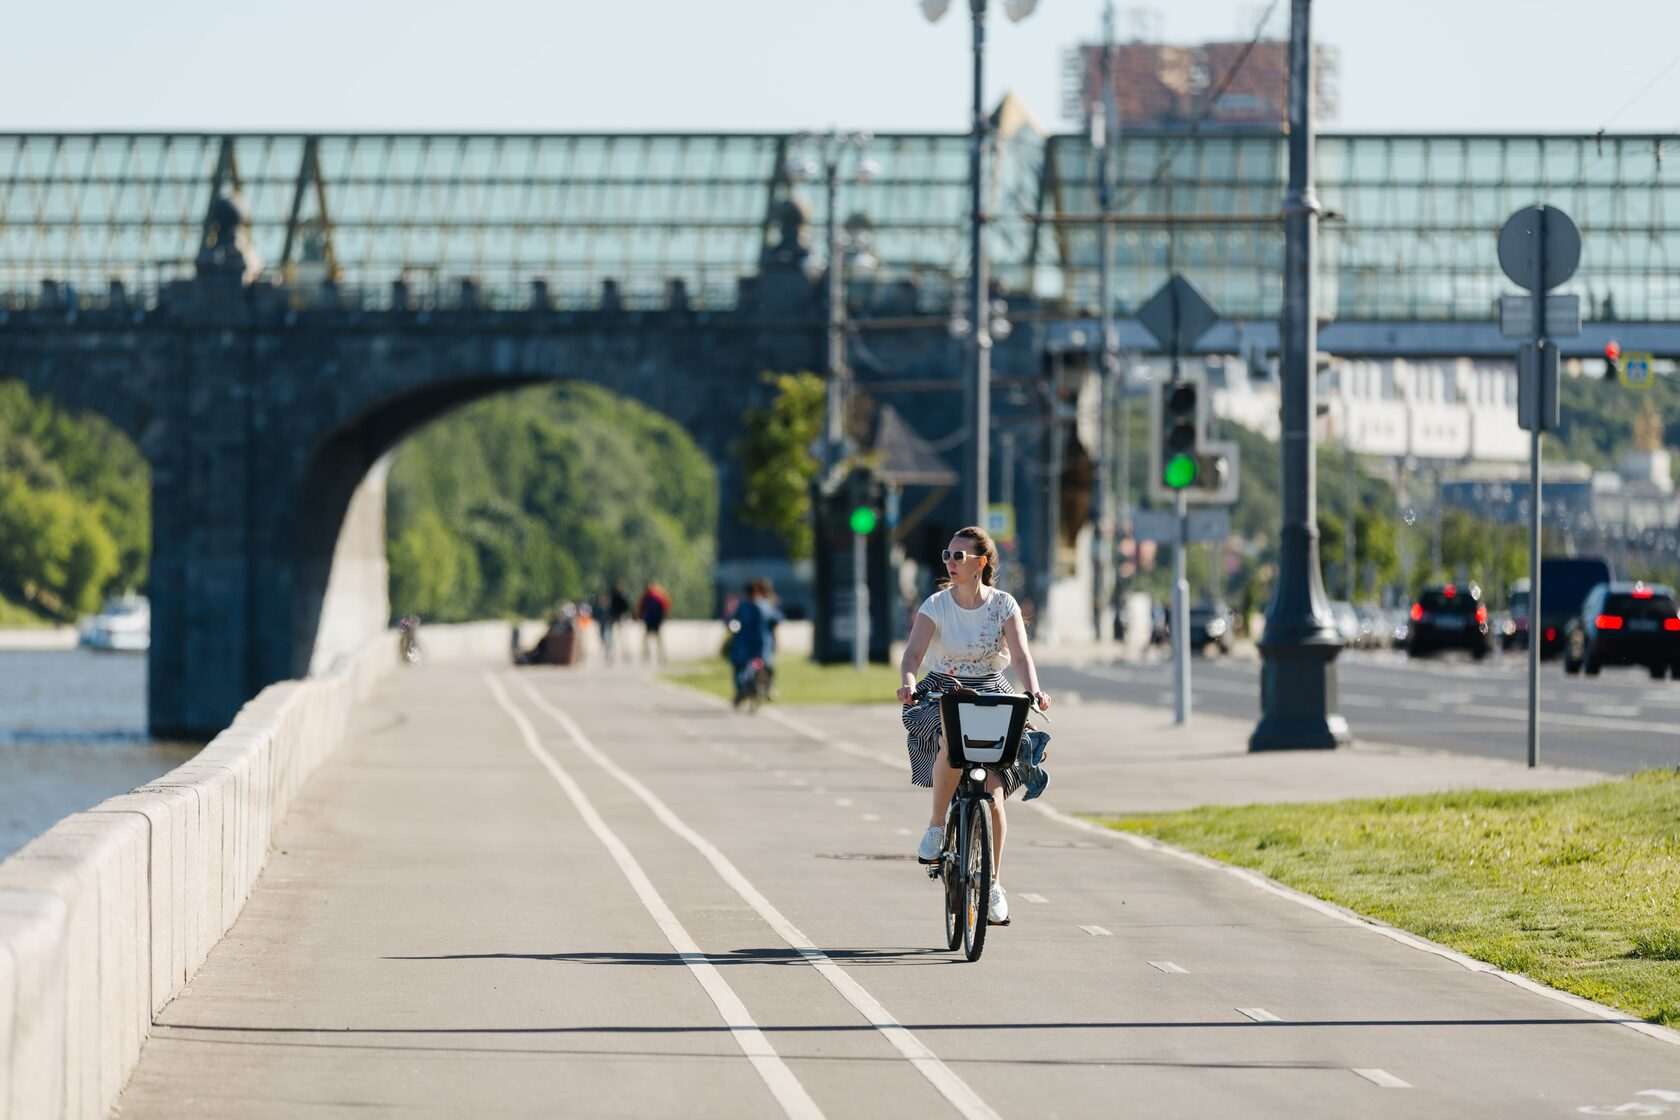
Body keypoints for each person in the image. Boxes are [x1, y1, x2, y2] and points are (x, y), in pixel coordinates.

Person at [897, 526, 1051, 927]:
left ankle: (994, 883)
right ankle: (936, 829)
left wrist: (1034, 691)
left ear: (981, 563)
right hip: (944, 687)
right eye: (947, 555)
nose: (950, 562)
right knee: (952, 737)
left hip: (991, 689)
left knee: (994, 790)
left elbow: (1020, 657)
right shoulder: (936, 604)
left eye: (959, 556)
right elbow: (913, 654)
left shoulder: (1004, 605)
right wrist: (909, 684)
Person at [728, 578, 784, 707]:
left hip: (746, 644)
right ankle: (767, 688)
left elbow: (733, 623)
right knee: (766, 666)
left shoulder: (744, 606)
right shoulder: (765, 606)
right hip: (761, 644)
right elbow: (776, 620)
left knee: (741, 667)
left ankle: (742, 690)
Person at [637, 580, 672, 665]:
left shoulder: (646, 596)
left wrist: (639, 616)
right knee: (658, 639)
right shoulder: (659, 595)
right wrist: (665, 617)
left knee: (646, 639)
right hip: (657, 620)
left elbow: (640, 607)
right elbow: (666, 606)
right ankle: (661, 655)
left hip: (649, 620)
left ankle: (646, 654)